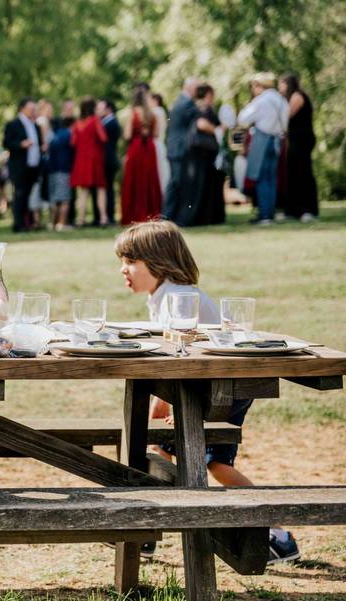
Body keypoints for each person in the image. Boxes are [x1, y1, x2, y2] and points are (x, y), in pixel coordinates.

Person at [114, 220, 301, 563]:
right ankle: (148, 528)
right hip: (200, 389)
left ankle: (277, 533)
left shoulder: (181, 299)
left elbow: (185, 359)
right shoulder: (165, 295)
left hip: (221, 392)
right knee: (162, 448)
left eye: (130, 262)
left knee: (213, 463)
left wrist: (169, 405)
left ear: (157, 262)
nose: (122, 269)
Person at [238, 72, 289, 225]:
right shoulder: (281, 100)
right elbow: (285, 124)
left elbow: (243, 119)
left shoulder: (261, 101)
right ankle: (269, 212)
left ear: (260, 86)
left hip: (262, 140)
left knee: (261, 178)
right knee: (272, 179)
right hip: (276, 140)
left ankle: (264, 214)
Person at [183, 84, 226, 226]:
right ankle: (199, 217)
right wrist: (217, 130)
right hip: (201, 152)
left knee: (207, 183)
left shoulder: (201, 108)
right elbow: (201, 124)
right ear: (208, 94)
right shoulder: (200, 108)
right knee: (201, 183)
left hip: (205, 152)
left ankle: (209, 216)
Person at [279, 74, 318, 222]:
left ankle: (308, 210)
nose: (279, 87)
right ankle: (293, 211)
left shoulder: (297, 96)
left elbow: (287, 116)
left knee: (303, 172)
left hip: (303, 138)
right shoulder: (289, 98)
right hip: (295, 139)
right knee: (293, 173)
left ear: (288, 84)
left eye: (281, 84)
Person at [120, 87, 163, 225]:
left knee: (134, 179)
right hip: (149, 147)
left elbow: (127, 135)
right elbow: (156, 134)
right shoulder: (152, 114)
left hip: (136, 147)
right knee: (149, 179)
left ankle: (133, 214)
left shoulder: (132, 114)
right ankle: (151, 213)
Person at [163, 78, 201, 223]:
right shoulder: (187, 103)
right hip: (180, 149)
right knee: (177, 184)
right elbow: (199, 115)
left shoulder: (180, 101)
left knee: (177, 183)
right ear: (190, 88)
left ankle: (170, 216)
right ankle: (169, 217)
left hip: (176, 149)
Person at [3, 97, 43, 232]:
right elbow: (6, 143)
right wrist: (21, 144)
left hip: (33, 166)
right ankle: (18, 224)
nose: (33, 111)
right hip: (19, 167)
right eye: (31, 109)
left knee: (27, 195)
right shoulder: (13, 124)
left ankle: (26, 223)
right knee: (19, 195)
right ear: (22, 108)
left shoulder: (35, 125)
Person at [70, 97, 108, 227]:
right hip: (94, 159)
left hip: (80, 159)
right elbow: (103, 137)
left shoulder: (77, 123)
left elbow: (73, 142)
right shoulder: (95, 121)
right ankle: (103, 218)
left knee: (83, 192)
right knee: (100, 190)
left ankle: (81, 219)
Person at [46, 115, 75, 231]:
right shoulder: (68, 135)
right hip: (63, 170)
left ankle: (53, 223)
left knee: (54, 199)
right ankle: (62, 224)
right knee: (64, 199)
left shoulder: (55, 136)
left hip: (52, 171)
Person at [96, 100, 121, 225]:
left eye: (101, 108)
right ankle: (106, 215)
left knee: (108, 189)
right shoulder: (106, 123)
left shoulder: (111, 124)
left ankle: (109, 216)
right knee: (106, 189)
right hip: (107, 160)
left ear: (108, 109)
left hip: (108, 161)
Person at [150, 93, 170, 193]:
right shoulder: (162, 111)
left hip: (155, 142)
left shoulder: (156, 111)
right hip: (161, 143)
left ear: (155, 101)